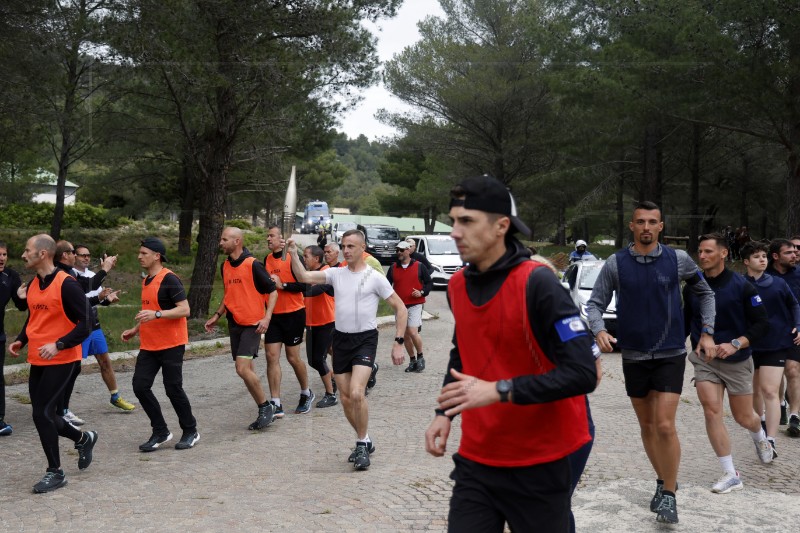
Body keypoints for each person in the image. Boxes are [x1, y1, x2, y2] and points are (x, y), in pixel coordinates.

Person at [424, 175, 597, 532]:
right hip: (478, 459)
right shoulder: (457, 285)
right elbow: (463, 351)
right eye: (454, 220)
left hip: (540, 461)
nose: (455, 231)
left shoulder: (539, 283)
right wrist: (444, 411)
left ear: (501, 226)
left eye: (467, 221)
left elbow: (583, 373)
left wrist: (500, 390)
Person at [587, 200, 716, 525]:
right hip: (634, 355)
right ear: (632, 226)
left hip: (671, 352)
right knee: (646, 426)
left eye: (652, 222)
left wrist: (707, 332)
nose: (646, 227)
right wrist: (599, 330)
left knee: (664, 424)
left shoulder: (679, 260)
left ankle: (669, 496)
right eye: (640, 221)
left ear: (661, 226)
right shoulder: (616, 263)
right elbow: (594, 305)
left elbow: (706, 293)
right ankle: (664, 480)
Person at [287, 229, 408, 471]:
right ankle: (365, 439)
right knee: (344, 399)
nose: (346, 250)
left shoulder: (375, 277)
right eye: (344, 246)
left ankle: (361, 444)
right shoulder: (335, 274)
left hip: (365, 339)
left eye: (351, 246)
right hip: (340, 339)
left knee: (356, 393)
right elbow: (304, 276)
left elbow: (400, 308)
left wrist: (398, 342)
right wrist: (292, 253)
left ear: (363, 248)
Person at [683, 233, 773, 494]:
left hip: (737, 360)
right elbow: (684, 323)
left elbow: (762, 324)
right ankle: (730, 473)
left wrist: (735, 343)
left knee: (744, 417)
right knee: (711, 410)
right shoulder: (691, 287)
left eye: (708, 251)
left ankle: (760, 436)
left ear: (723, 254)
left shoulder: (742, 286)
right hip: (705, 361)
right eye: (699, 251)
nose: (702, 256)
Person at [8, 234, 97, 493]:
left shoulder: (67, 284)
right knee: (44, 414)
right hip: (39, 358)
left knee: (41, 413)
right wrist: (21, 340)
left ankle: (55, 472)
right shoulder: (34, 283)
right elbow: (34, 318)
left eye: (27, 250)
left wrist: (59, 344)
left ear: (43, 254)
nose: (23, 255)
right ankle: (83, 438)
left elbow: (86, 324)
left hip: (62, 358)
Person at [121, 237, 199, 452]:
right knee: (140, 386)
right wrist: (135, 329)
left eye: (144, 253)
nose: (139, 256)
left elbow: (185, 309)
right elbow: (151, 309)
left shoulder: (169, 279)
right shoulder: (146, 280)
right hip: (149, 344)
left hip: (172, 344)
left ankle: (190, 430)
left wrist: (156, 314)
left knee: (173, 388)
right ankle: (161, 431)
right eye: (140, 253)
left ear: (157, 256)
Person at [204, 227, 278, 430]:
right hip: (234, 323)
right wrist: (217, 315)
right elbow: (229, 295)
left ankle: (266, 407)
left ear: (237, 241)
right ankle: (264, 407)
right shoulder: (225, 265)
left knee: (241, 368)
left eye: (224, 239)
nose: (220, 242)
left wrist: (267, 317)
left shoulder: (253, 264)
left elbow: (272, 291)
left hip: (252, 325)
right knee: (246, 370)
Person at [741, 240, 800, 458]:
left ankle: (771, 440)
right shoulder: (739, 284)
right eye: (757, 257)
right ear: (747, 262)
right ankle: (762, 424)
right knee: (755, 391)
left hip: (776, 343)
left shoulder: (778, 284)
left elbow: (795, 304)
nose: (762, 260)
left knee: (769, 390)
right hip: (750, 344)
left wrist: (798, 325)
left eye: (764, 256)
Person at [73, 244, 135, 413]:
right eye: (82, 255)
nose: (86, 258)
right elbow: (81, 301)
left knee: (105, 361)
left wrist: (109, 299)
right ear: (73, 256)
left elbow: (100, 299)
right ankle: (60, 405)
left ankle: (115, 397)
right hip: (78, 328)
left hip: (94, 326)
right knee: (72, 368)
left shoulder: (93, 276)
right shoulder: (71, 277)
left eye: (88, 255)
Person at [264, 225, 313, 417]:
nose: (268, 239)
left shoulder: (294, 258)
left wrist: (282, 284)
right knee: (271, 356)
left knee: (293, 358)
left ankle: (306, 392)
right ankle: (275, 402)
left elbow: (304, 284)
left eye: (271, 236)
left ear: (281, 240)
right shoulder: (266, 260)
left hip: (294, 313)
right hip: (274, 315)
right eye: (267, 236)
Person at [766, 237, 800, 437]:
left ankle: (795, 415)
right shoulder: (764, 274)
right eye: (789, 252)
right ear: (776, 256)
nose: (795, 254)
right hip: (771, 333)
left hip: (795, 331)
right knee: (776, 373)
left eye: (795, 251)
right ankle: (780, 404)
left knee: (793, 370)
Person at [387, 240, 432, 373]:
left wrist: (422, 292)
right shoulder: (393, 267)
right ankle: (412, 360)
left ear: (408, 250)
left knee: (412, 331)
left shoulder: (419, 266)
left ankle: (420, 357)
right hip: (400, 306)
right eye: (397, 250)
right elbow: (386, 285)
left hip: (415, 304)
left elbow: (429, 283)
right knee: (405, 335)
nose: (399, 253)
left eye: (401, 250)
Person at [301, 245, 338, 408]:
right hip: (311, 323)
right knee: (313, 360)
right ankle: (334, 379)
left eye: (306, 256)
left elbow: (314, 291)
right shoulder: (308, 274)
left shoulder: (327, 272)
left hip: (326, 322)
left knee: (318, 358)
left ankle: (331, 394)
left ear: (316, 258)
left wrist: (291, 289)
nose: (304, 259)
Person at [0, 241, 28, 436]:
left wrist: (22, 296)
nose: (1, 258)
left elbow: (20, 306)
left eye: (4, 254)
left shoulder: (10, 276)